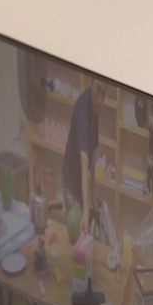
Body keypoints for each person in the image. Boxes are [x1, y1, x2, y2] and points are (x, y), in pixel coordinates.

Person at [61, 77, 105, 224]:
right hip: (71, 175)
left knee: (88, 218)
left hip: (81, 178)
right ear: (91, 83)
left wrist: (93, 198)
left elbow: (92, 160)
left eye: (104, 93)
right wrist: (86, 212)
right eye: (97, 89)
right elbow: (85, 164)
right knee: (77, 222)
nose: (100, 98)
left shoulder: (95, 109)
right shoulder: (83, 111)